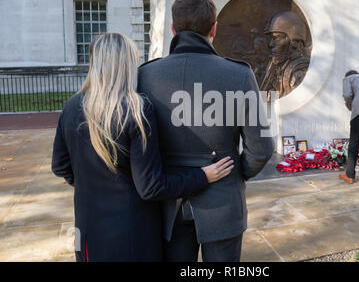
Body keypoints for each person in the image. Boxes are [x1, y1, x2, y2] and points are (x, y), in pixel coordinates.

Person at [51, 33, 234, 262]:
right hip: (132, 234)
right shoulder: (136, 110)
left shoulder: (72, 106)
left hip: (88, 229)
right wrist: (202, 176)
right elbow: (151, 187)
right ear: (127, 65)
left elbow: (60, 166)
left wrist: (96, 187)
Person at [138, 0, 274, 262]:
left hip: (168, 205)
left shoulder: (146, 74)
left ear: (173, 28)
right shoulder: (239, 73)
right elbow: (262, 147)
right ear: (214, 28)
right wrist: (236, 174)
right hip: (223, 203)